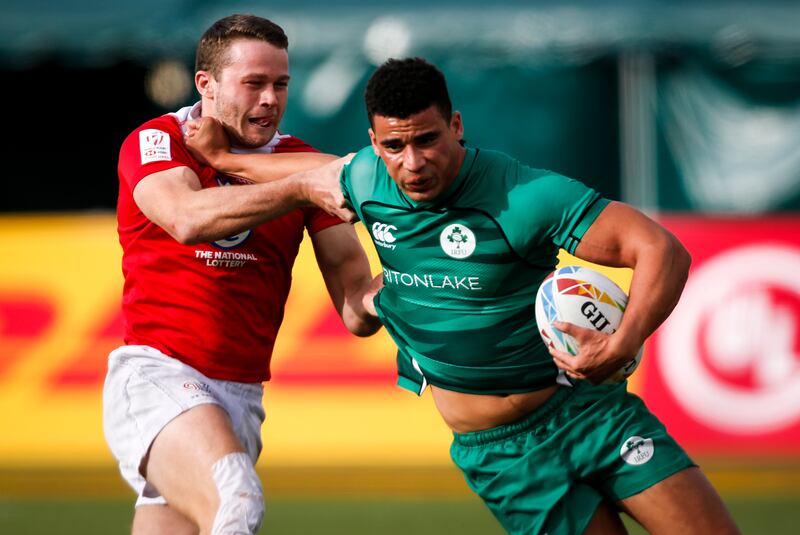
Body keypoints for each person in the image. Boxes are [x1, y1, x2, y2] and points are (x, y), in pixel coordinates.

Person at [189, 57, 742, 534]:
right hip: (500, 457)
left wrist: (623, 344)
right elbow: (308, 173)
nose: (413, 162)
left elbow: (661, 249)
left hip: (588, 415)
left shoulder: (524, 196)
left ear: (455, 125)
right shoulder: (363, 179)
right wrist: (227, 161)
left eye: (427, 139)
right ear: (374, 143)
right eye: (394, 146)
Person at [103, 14, 381, 535]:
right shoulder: (159, 139)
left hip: (241, 397)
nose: (271, 98)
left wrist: (401, 289)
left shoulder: (299, 159)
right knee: (236, 500)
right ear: (205, 85)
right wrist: (300, 187)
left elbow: (355, 305)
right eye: (254, 83)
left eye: (280, 84)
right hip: (159, 377)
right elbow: (188, 219)